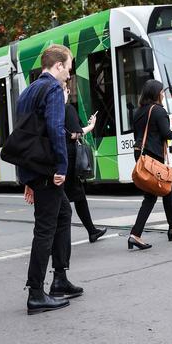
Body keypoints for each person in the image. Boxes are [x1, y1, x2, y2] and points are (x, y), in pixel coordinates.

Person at [17, 44, 82, 315]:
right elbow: (56, 130)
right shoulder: (53, 88)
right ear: (57, 66)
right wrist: (62, 167)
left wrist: (26, 177)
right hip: (48, 169)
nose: (69, 74)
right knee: (45, 228)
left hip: (34, 167)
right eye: (68, 68)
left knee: (63, 213)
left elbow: (23, 134)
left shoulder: (28, 90)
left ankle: (59, 278)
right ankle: (36, 292)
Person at [129, 80, 172, 249]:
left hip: (141, 153)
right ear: (156, 94)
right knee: (151, 195)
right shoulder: (158, 111)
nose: (163, 94)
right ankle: (135, 234)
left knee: (167, 188)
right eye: (161, 92)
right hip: (153, 156)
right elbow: (166, 134)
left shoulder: (138, 111)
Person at [62, 84, 107, 243]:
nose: (68, 92)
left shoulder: (52, 110)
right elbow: (75, 134)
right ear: (64, 92)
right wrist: (92, 126)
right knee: (71, 199)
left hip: (60, 159)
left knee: (77, 197)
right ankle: (89, 231)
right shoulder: (67, 109)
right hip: (70, 160)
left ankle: (92, 231)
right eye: (67, 90)